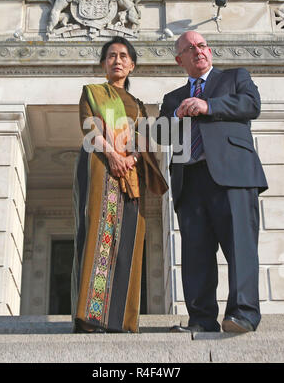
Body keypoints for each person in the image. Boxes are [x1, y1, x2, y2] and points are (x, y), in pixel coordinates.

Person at [158, 30, 268, 333]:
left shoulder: (234, 78)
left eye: (202, 45)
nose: (199, 51)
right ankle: (202, 320)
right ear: (180, 59)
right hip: (190, 181)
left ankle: (242, 314)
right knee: (196, 256)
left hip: (233, 176)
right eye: (190, 48)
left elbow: (252, 105)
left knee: (240, 247)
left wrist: (209, 106)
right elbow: (159, 134)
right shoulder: (172, 99)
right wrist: (177, 118)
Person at [71, 36, 168, 334]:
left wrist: (132, 157)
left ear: (132, 65)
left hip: (131, 174)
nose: (117, 60)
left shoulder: (137, 105)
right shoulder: (93, 92)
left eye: (124, 56)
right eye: (111, 55)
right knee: (100, 235)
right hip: (100, 165)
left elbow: (142, 140)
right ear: (103, 63)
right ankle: (91, 316)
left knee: (128, 239)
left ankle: (120, 320)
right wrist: (113, 154)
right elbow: (90, 128)